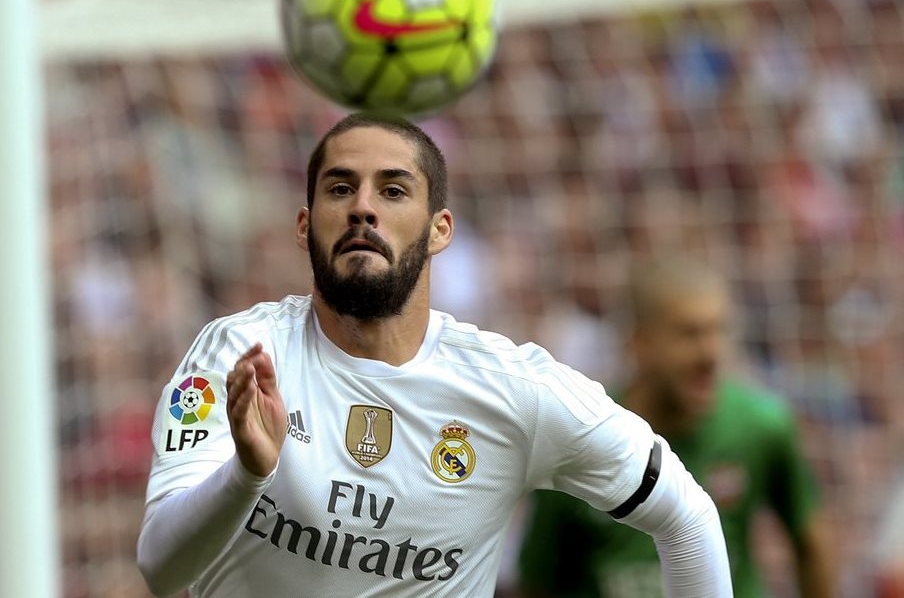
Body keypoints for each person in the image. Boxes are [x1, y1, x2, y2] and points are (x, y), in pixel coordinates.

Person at [136, 113, 732, 597]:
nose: (363, 207)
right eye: (340, 188)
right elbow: (161, 568)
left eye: (393, 190)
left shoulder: (515, 390)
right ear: (305, 223)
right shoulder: (240, 354)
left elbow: (687, 519)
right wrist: (246, 474)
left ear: (440, 229)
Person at [519, 255, 833, 598]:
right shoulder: (578, 433)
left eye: (719, 330)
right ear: (640, 344)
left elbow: (811, 544)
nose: (711, 352)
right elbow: (538, 580)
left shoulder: (762, 427)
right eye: (690, 334)